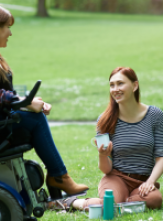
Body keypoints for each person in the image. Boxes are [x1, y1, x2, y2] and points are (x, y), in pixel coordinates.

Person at [0, 3, 89, 197]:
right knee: (37, 121)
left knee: (35, 117)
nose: (10, 34)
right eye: (8, 28)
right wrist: (25, 102)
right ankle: (59, 177)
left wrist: (27, 102)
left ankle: (58, 178)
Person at [51, 67, 163, 210]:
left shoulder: (155, 115)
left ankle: (116, 206)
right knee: (109, 204)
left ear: (135, 85)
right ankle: (70, 202)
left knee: (155, 200)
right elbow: (106, 169)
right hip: (117, 178)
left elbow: (161, 156)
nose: (115, 89)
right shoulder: (105, 120)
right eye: (112, 85)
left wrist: (151, 181)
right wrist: (102, 155)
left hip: (143, 181)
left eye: (120, 83)